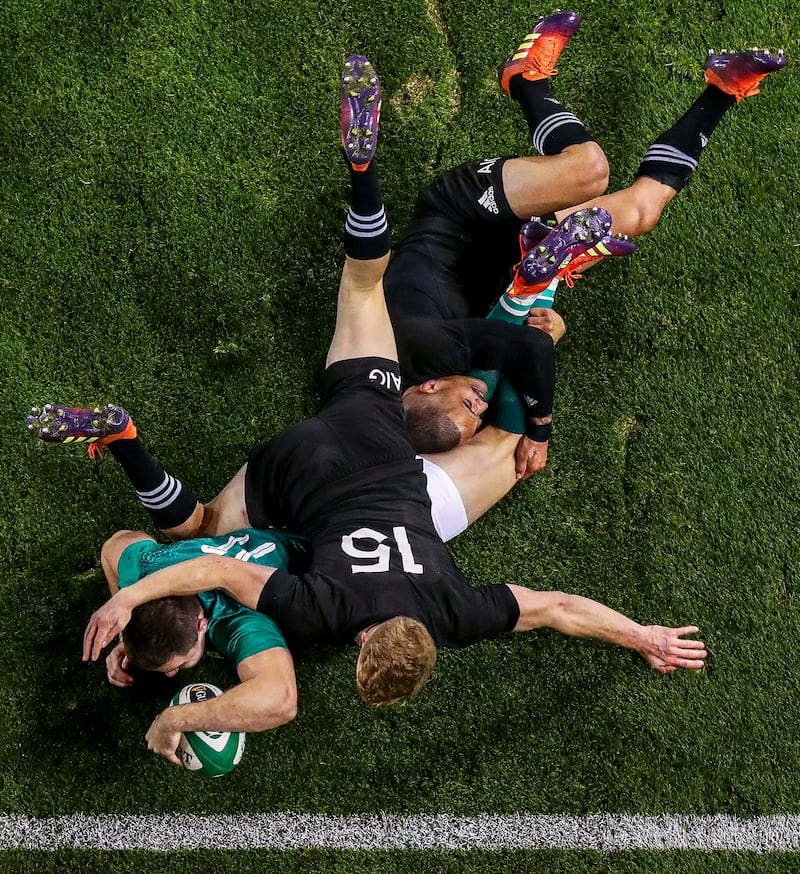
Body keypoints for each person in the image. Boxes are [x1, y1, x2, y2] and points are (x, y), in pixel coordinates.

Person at [73, 54, 707, 717]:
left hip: (377, 432)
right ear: (368, 640)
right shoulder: (326, 612)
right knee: (200, 524)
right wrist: (126, 601)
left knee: (383, 301)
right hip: (307, 457)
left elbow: (555, 608)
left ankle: (380, 182)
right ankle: (371, 177)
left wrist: (643, 633)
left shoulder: (451, 610)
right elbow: (217, 571)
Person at [383, 11, 787, 475]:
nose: (479, 402)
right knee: (642, 211)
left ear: (429, 387)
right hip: (511, 258)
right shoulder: (445, 398)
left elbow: (526, 354)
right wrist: (545, 331)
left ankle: (525, 80)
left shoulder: (420, 349)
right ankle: (723, 88)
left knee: (589, 170)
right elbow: (521, 354)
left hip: (460, 213)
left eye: (469, 405)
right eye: (478, 414)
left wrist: (541, 428)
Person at [99, 526, 306, 764]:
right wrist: (122, 636)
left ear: (202, 625)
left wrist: (174, 720)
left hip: (309, 555)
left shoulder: (237, 618)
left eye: (180, 662)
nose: (173, 673)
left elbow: (282, 700)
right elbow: (114, 545)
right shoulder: (148, 567)